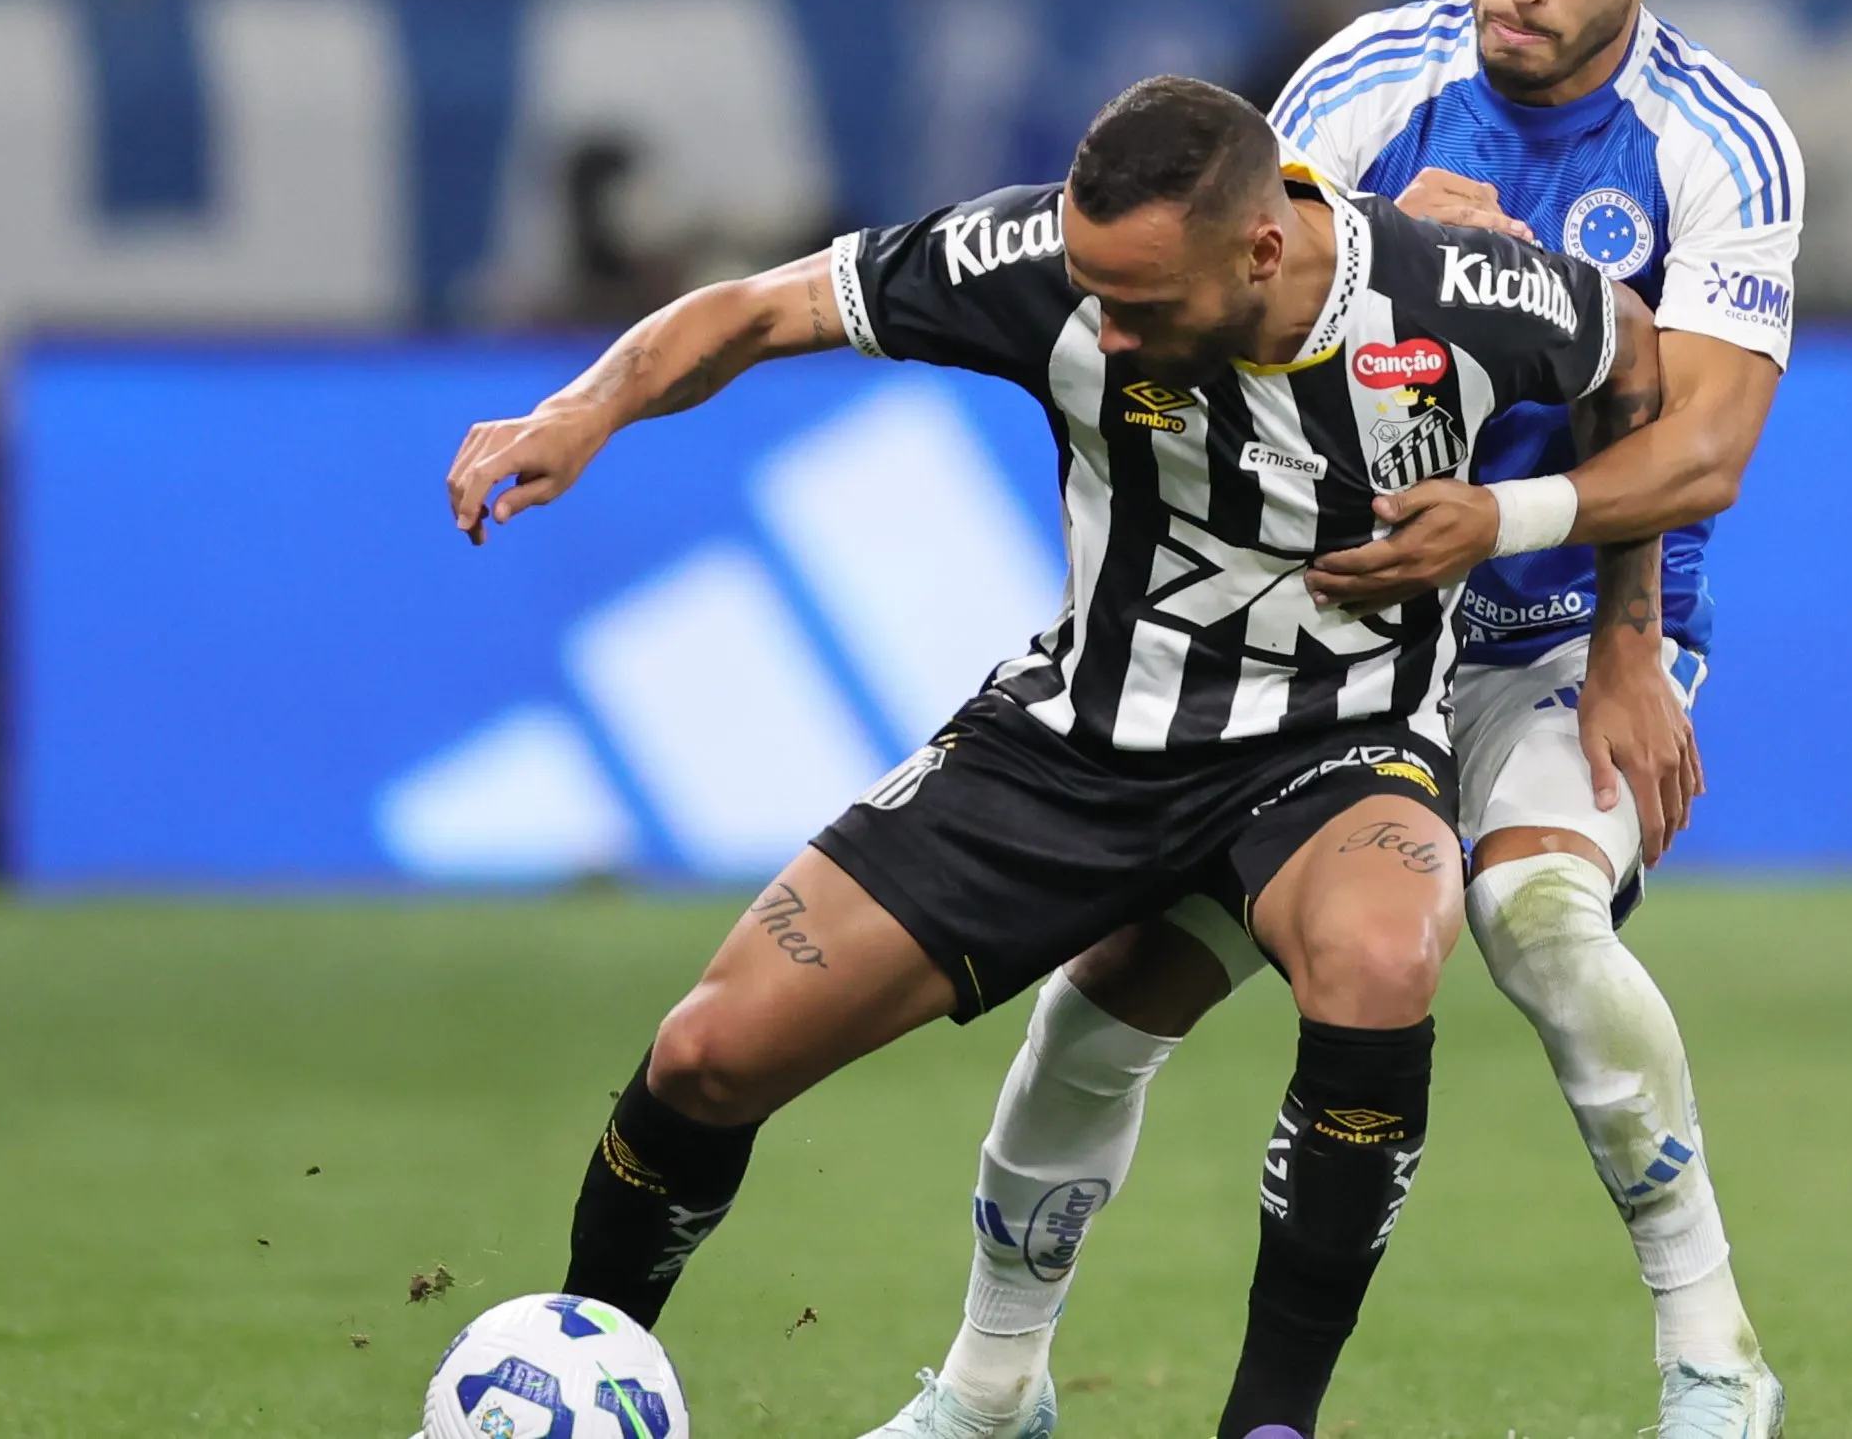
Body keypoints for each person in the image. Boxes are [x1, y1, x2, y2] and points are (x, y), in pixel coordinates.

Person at [441, 74, 1679, 1439]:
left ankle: (1269, 1424)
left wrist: (1622, 625)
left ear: (1261, 250)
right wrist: (586, 408)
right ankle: (579, 1371)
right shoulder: (1039, 263)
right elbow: (754, 309)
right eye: (1095, 295)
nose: (1109, 329)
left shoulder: (1453, 291)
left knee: (1384, 958)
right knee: (706, 1054)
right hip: (1078, 743)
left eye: (1143, 304)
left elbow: (1627, 351)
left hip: (1337, 748)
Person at [861, 0, 1797, 1439]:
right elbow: (1228, 345)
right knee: (1104, 1002)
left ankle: (1713, 1352)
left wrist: (1622, 635)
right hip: (1347, 635)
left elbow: (1705, 441)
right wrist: (1386, 250)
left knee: (1539, 918)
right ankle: (990, 1387)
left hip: (1560, 625)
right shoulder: (1364, 85)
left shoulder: (1720, 143)